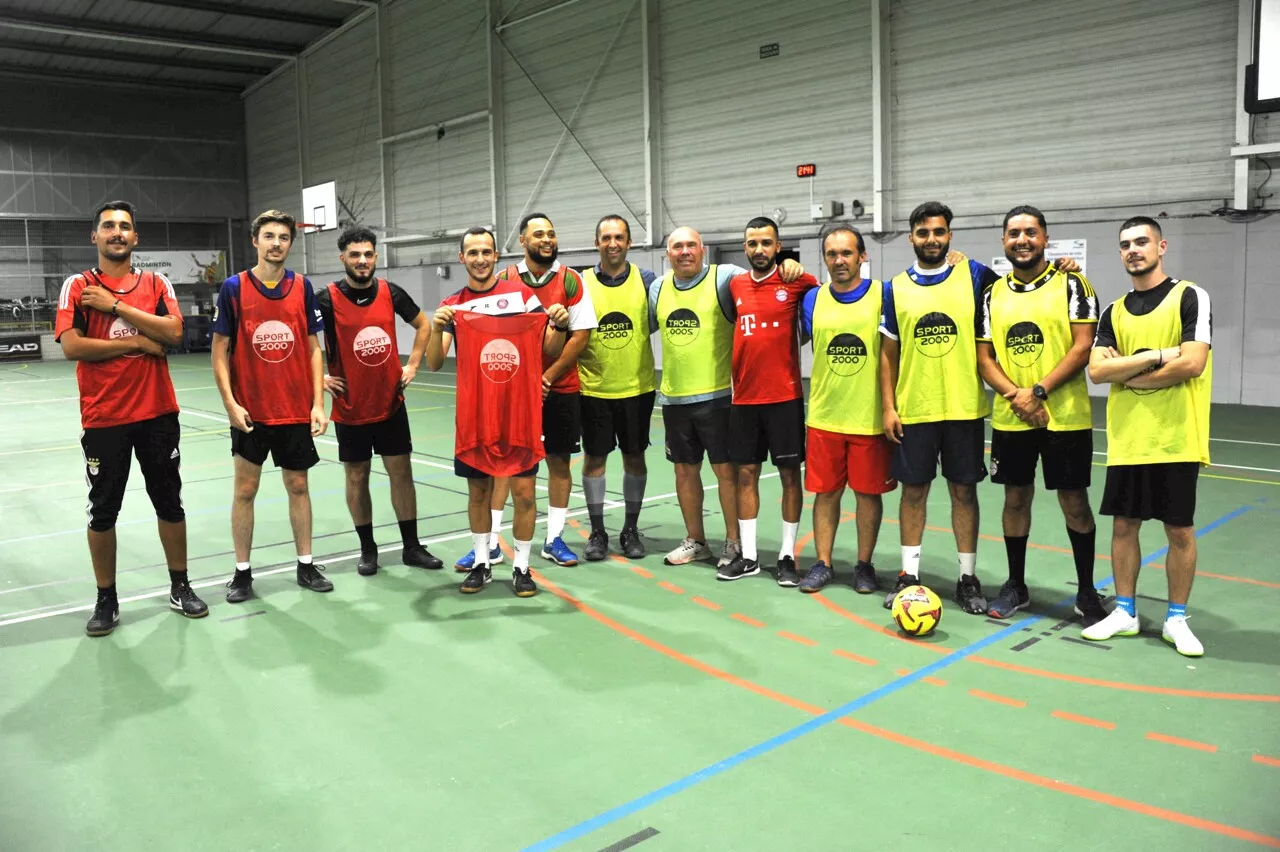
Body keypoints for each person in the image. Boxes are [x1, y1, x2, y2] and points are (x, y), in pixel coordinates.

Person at [55, 200, 207, 635]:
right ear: (95, 236)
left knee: (169, 503)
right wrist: (140, 343)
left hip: (157, 413)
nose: (117, 232)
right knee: (103, 512)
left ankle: (180, 586)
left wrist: (116, 307)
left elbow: (175, 332)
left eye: (124, 226)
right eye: (108, 226)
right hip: (104, 418)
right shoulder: (78, 285)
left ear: (135, 237)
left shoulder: (157, 283)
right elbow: (72, 347)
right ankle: (106, 598)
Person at [1082, 216, 1212, 657]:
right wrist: (1156, 356)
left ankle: (1177, 619)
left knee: (1179, 530)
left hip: (1176, 436)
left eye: (1141, 241)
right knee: (1123, 527)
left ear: (1162, 246)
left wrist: (1132, 376)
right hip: (1128, 439)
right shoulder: (1113, 312)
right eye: (1125, 244)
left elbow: (1193, 362)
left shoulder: (1189, 296)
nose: (1132, 250)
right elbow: (1098, 371)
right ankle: (1125, 612)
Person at [977, 206, 1105, 624]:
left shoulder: (1074, 283)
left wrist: (1038, 392)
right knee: (1015, 499)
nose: (1022, 240)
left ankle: (1086, 592)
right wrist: (1017, 397)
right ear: (1004, 242)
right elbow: (984, 358)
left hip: (1063, 417)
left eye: (1030, 232)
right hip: (1012, 417)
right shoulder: (992, 294)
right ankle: (1016, 585)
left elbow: (1082, 347)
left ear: (1046, 238)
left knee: (1074, 501)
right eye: (1014, 233)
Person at [426, 227, 571, 596]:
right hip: (476, 415)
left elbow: (550, 347)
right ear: (462, 258)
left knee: (524, 493)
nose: (479, 258)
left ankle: (522, 567)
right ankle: (480, 562)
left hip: (518, 414)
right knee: (477, 493)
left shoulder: (522, 298)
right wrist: (435, 327)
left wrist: (557, 322)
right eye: (472, 252)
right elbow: (434, 362)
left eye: (486, 251)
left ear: (496, 256)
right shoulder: (454, 304)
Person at [650, 227, 805, 568]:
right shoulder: (658, 288)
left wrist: (788, 266)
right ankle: (696, 540)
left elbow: (763, 276)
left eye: (691, 245)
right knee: (684, 473)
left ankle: (734, 543)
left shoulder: (726, 277)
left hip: (719, 398)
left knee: (727, 473)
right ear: (667, 254)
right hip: (674, 400)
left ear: (703, 250)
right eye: (677, 246)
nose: (685, 251)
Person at [460, 213, 596, 571]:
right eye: (539, 234)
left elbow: (580, 335)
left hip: (560, 386)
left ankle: (554, 538)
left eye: (551, 233)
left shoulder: (572, 281)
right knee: (502, 464)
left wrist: (547, 376)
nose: (547, 239)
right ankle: (488, 544)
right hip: (510, 392)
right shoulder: (504, 279)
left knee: (559, 461)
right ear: (522, 241)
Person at [212, 210, 331, 603]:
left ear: (290, 243)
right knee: (245, 490)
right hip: (251, 412)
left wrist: (318, 403)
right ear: (255, 241)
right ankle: (243, 573)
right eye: (269, 236)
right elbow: (219, 352)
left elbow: (315, 350)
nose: (276, 243)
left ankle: (306, 564)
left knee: (299, 485)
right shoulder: (233, 288)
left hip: (294, 409)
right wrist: (230, 404)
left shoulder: (302, 286)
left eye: (283, 237)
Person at [317, 225, 443, 576]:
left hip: (390, 403)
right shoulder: (325, 298)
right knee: (356, 477)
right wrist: (319, 377)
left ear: (376, 257)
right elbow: (302, 338)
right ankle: (368, 549)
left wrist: (413, 364)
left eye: (368, 254)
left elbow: (424, 324)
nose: (362, 261)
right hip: (351, 406)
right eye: (355, 255)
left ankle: (412, 547)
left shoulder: (390, 292)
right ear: (342, 258)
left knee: (401, 473)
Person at [717, 217, 818, 585]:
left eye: (766, 243)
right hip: (743, 398)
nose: (759, 249)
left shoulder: (797, 281)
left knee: (791, 476)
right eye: (752, 243)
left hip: (785, 397)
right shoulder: (735, 285)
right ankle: (748, 556)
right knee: (746, 474)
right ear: (745, 248)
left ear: (778, 247)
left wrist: (800, 267)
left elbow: (824, 302)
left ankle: (788, 556)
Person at [796, 224, 896, 593]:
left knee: (868, 495)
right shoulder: (811, 299)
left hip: (869, 417)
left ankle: (864, 566)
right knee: (826, 493)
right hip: (824, 416)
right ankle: (822, 563)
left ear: (862, 256)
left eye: (847, 253)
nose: (839, 260)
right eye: (832, 254)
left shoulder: (885, 296)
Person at [577, 215, 656, 561]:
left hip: (637, 388)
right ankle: (597, 532)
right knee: (594, 459)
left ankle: (629, 529)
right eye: (606, 237)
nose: (613, 243)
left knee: (634, 458)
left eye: (619, 237)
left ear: (629, 242)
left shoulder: (648, 280)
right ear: (597, 242)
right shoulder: (579, 283)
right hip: (593, 389)